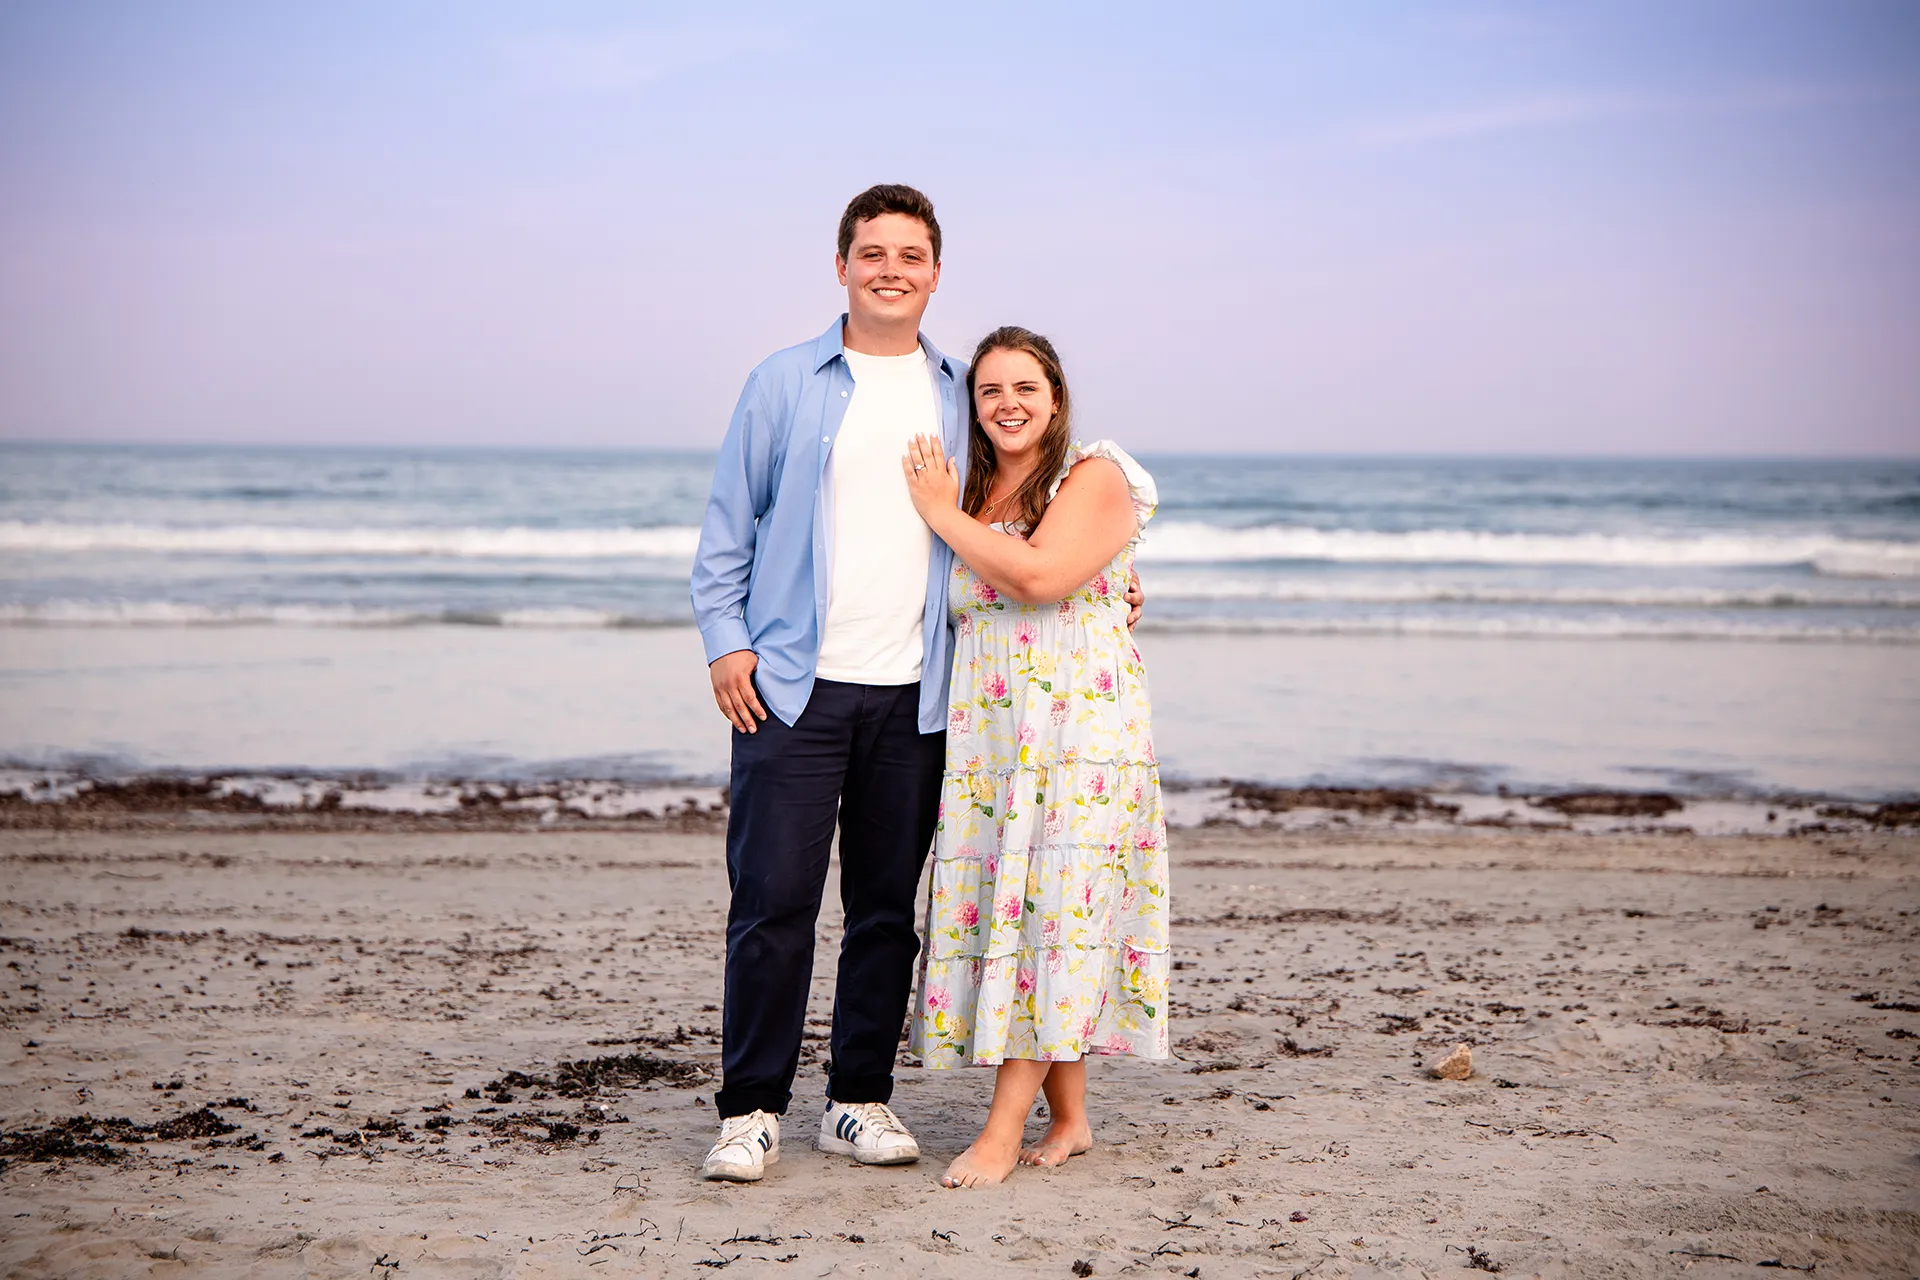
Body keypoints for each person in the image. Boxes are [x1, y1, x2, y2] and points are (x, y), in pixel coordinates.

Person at [688, 187, 1141, 1183]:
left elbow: (1025, 507)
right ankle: (751, 1108)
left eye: (911, 254)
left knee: (888, 908)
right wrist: (726, 643)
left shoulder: (958, 388)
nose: (891, 268)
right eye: (872, 252)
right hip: (794, 690)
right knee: (771, 902)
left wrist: (1111, 575)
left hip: (922, 697)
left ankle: (856, 1099)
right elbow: (728, 529)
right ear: (842, 265)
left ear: (937, 273)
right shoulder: (782, 383)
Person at [900, 326, 1170, 1189]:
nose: (1007, 403)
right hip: (993, 739)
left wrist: (940, 515)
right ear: (973, 408)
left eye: (1025, 387)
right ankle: (1074, 1119)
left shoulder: (1094, 473)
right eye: (989, 391)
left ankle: (1001, 1129)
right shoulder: (976, 487)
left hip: (1078, 736)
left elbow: (1041, 579)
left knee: (1053, 913)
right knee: (1024, 907)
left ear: (1055, 397)